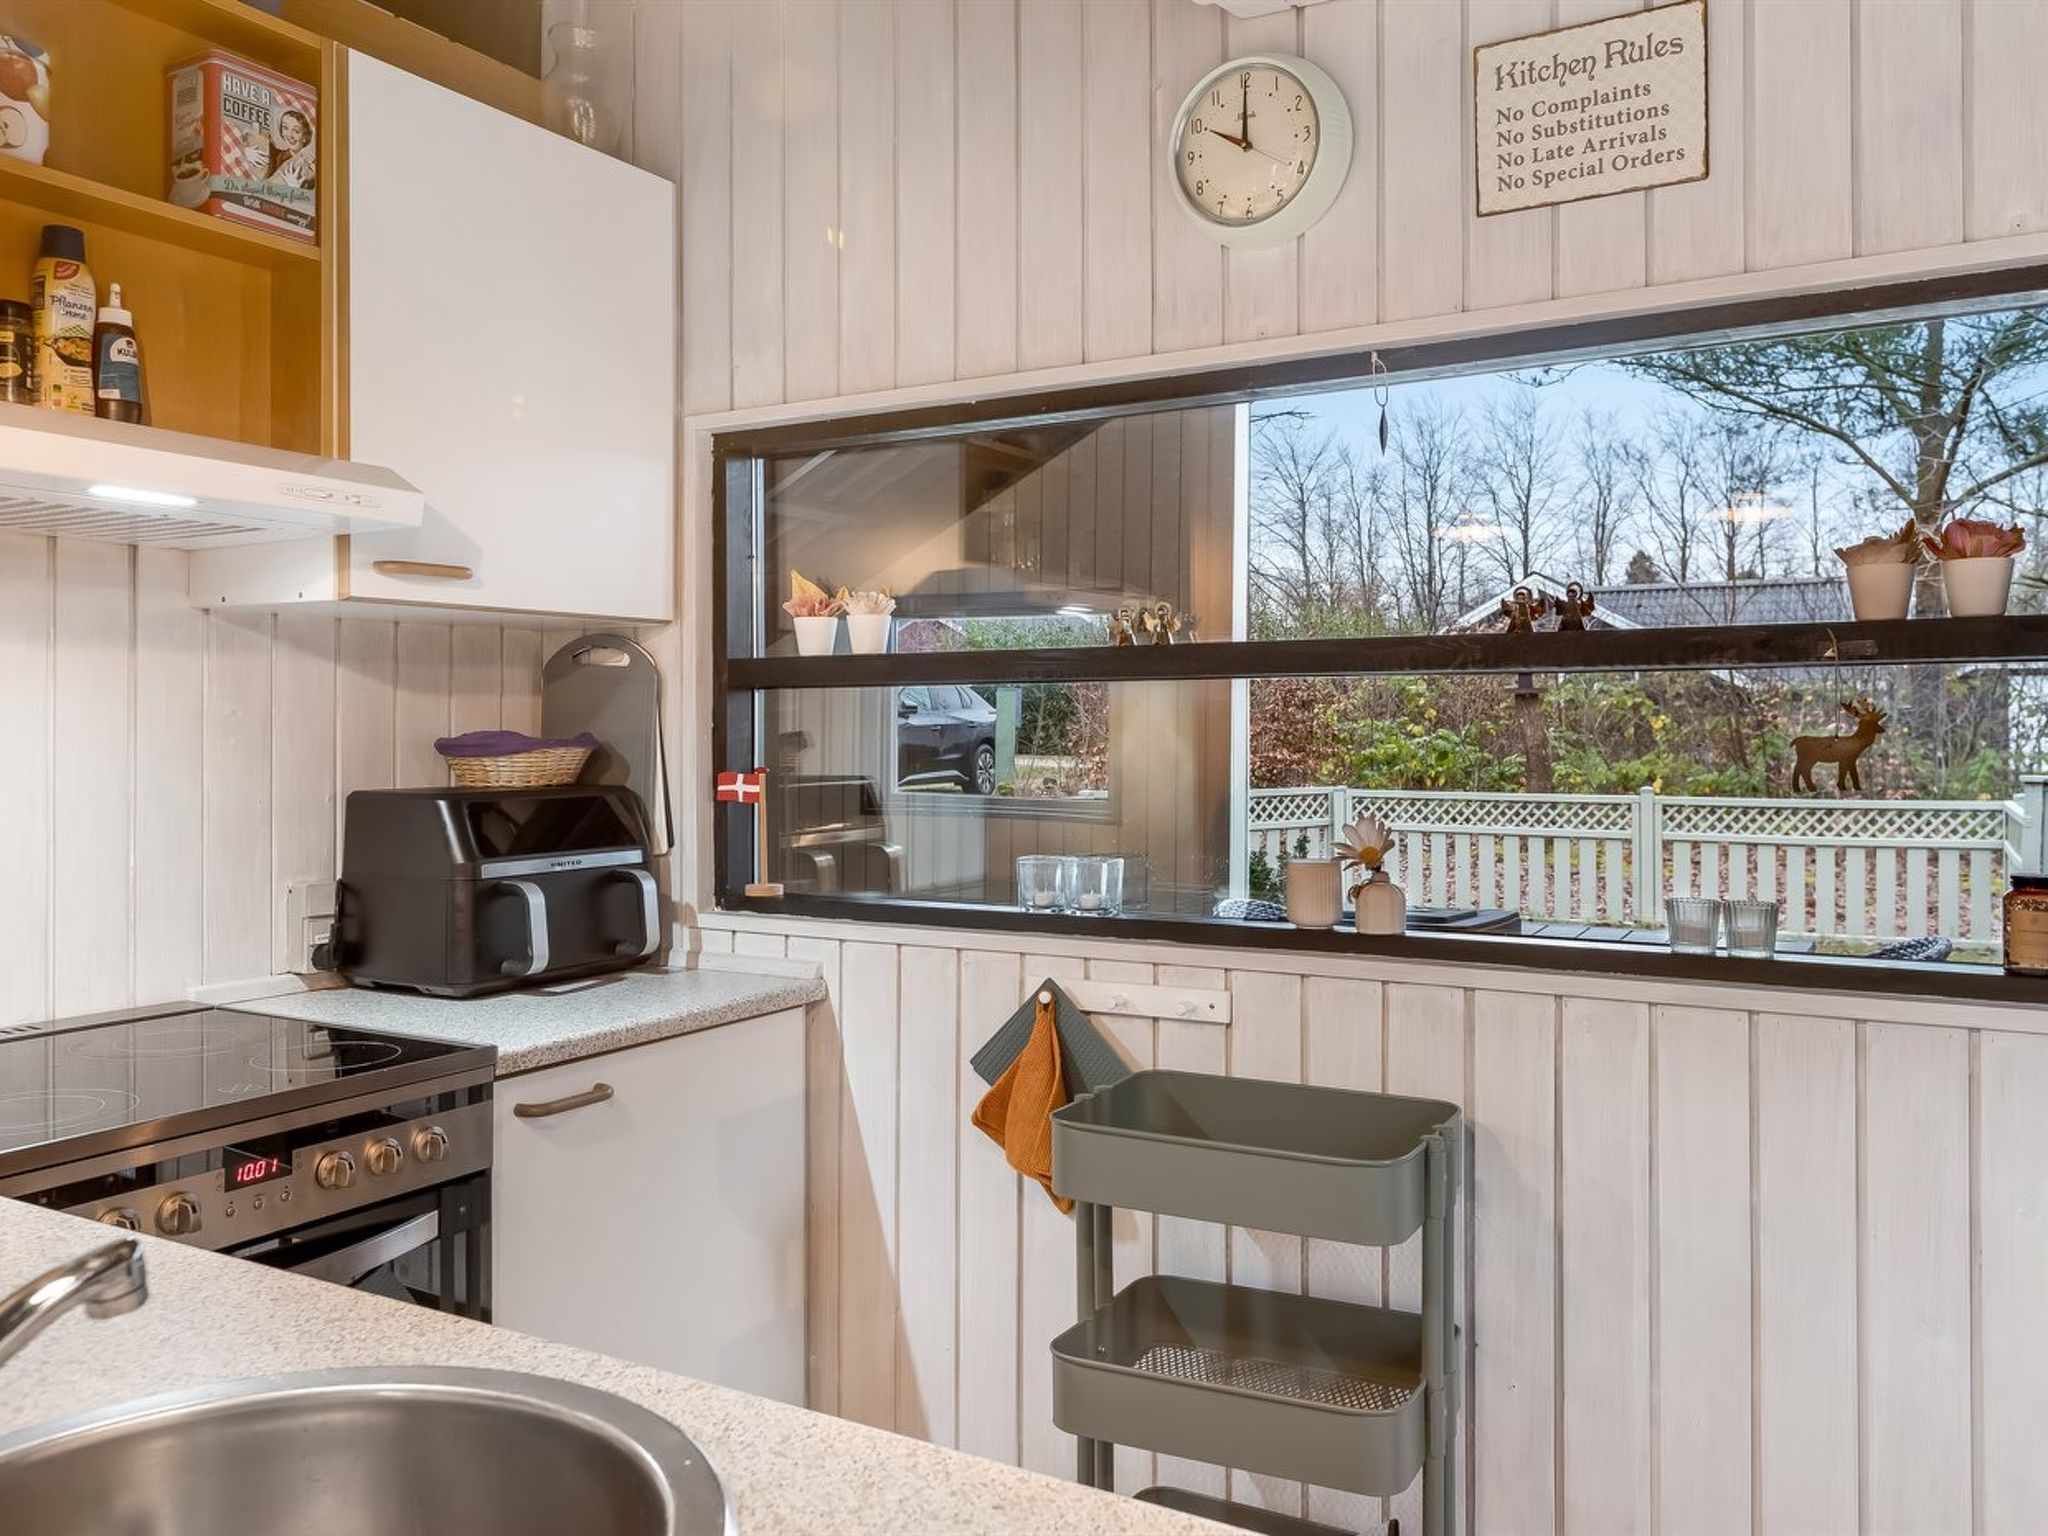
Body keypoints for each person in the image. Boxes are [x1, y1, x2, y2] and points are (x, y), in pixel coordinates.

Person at [269, 106, 315, 190]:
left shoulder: (312, 165)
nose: (289, 135)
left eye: (296, 131)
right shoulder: (278, 155)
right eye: (285, 127)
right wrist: (247, 151)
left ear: (305, 137)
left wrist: (296, 189)